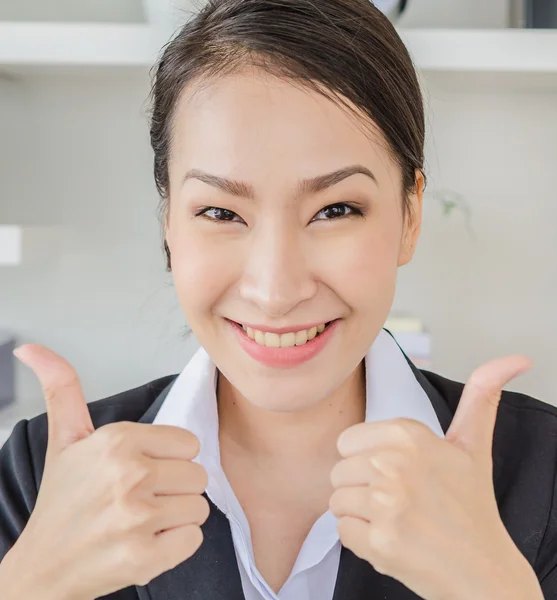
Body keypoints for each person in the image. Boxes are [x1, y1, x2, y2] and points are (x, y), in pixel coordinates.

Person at [0, 1, 555, 599]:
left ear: (410, 216)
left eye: (335, 210)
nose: (276, 290)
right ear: (169, 224)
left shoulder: (541, 475)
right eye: (220, 212)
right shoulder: (44, 479)